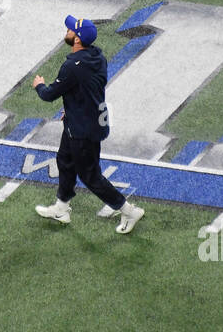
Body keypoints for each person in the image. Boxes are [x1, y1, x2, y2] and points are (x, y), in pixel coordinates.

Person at [32, 14, 145, 234]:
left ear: (77, 40)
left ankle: (128, 210)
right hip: (84, 119)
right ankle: (62, 208)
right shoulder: (97, 56)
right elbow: (86, 87)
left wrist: (39, 85)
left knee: (90, 176)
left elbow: (48, 95)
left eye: (71, 30)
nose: (67, 30)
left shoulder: (72, 67)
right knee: (64, 159)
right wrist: (74, 107)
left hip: (83, 128)